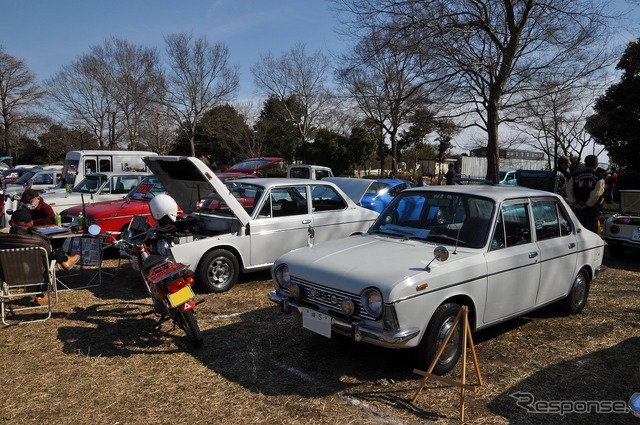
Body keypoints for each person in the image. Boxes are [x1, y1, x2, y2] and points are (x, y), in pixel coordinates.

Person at [0, 208, 79, 305]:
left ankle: (65, 260)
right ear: (30, 224)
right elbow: (49, 255)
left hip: (8, 276)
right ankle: (41, 294)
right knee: (48, 258)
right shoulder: (38, 240)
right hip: (36, 275)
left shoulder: (1, 240)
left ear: (11, 223)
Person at [565, 155, 605, 234]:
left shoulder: (575, 176)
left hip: (578, 208)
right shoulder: (599, 177)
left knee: (579, 231)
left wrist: (574, 202)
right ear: (596, 165)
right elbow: (596, 193)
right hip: (593, 209)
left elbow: (568, 189)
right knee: (591, 233)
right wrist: (587, 205)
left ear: (585, 164)